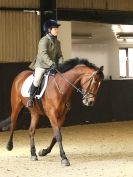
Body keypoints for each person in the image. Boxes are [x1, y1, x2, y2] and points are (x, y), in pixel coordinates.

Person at [27, 19, 64, 108]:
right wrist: (51, 63)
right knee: (37, 79)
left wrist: (61, 63)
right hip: (42, 65)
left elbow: (60, 55)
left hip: (53, 66)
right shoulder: (43, 40)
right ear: (49, 30)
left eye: (57, 29)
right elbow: (43, 54)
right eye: (55, 29)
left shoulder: (58, 42)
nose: (57, 30)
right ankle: (30, 99)